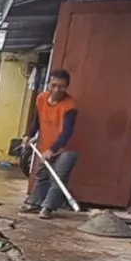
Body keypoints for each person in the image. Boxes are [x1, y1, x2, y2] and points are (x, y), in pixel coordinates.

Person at [19, 68, 79, 219]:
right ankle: (35, 203)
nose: (57, 89)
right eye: (54, 85)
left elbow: (67, 132)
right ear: (49, 84)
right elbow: (36, 121)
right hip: (46, 145)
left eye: (61, 86)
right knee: (42, 175)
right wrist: (29, 135)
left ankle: (48, 208)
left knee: (58, 178)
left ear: (67, 87)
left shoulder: (70, 105)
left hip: (65, 148)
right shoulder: (41, 99)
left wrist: (53, 149)